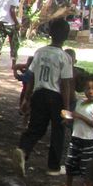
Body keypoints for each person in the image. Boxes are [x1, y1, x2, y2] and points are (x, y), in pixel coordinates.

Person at [11, 18, 73, 177]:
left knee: (36, 127)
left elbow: (30, 77)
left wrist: (27, 97)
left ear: (49, 33)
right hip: (56, 96)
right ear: (66, 36)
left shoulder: (40, 52)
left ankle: (23, 150)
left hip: (39, 94)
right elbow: (65, 85)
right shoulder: (65, 57)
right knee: (58, 130)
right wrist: (66, 108)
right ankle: (53, 166)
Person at [55, 76, 93, 186]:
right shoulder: (80, 102)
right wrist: (69, 119)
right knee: (70, 162)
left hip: (88, 140)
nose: (90, 91)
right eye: (88, 88)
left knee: (85, 166)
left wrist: (80, 117)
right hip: (75, 137)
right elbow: (75, 118)